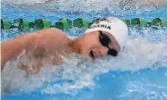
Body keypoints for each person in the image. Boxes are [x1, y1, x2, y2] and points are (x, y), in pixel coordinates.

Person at [1, 17, 129, 73]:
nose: (104, 51)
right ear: (91, 31)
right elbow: (5, 51)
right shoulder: (56, 40)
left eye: (112, 52)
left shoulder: (76, 67)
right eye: (104, 40)